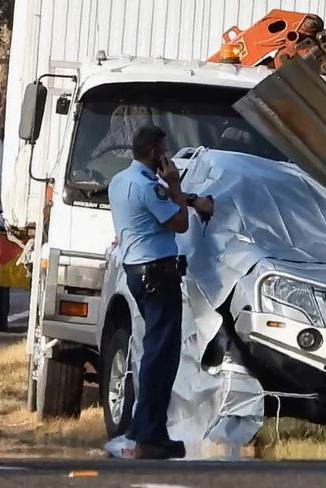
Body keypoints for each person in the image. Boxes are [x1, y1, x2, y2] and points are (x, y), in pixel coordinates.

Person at [108, 125, 213, 459]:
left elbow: (173, 207)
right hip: (158, 274)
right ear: (155, 151)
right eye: (164, 150)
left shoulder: (121, 180)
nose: (167, 156)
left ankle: (148, 431)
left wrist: (189, 199)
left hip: (138, 272)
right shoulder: (150, 187)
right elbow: (179, 224)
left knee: (156, 350)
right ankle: (146, 435)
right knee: (160, 356)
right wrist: (176, 184)